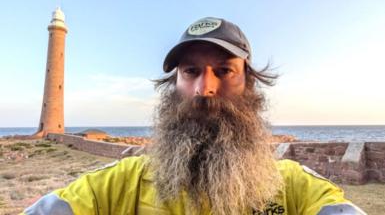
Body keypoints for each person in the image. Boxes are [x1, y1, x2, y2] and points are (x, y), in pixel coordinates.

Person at [23, 17, 366, 215]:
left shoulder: (291, 186)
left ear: (250, 84)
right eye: (190, 71)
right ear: (173, 85)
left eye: (223, 70)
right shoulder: (117, 185)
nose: (205, 88)